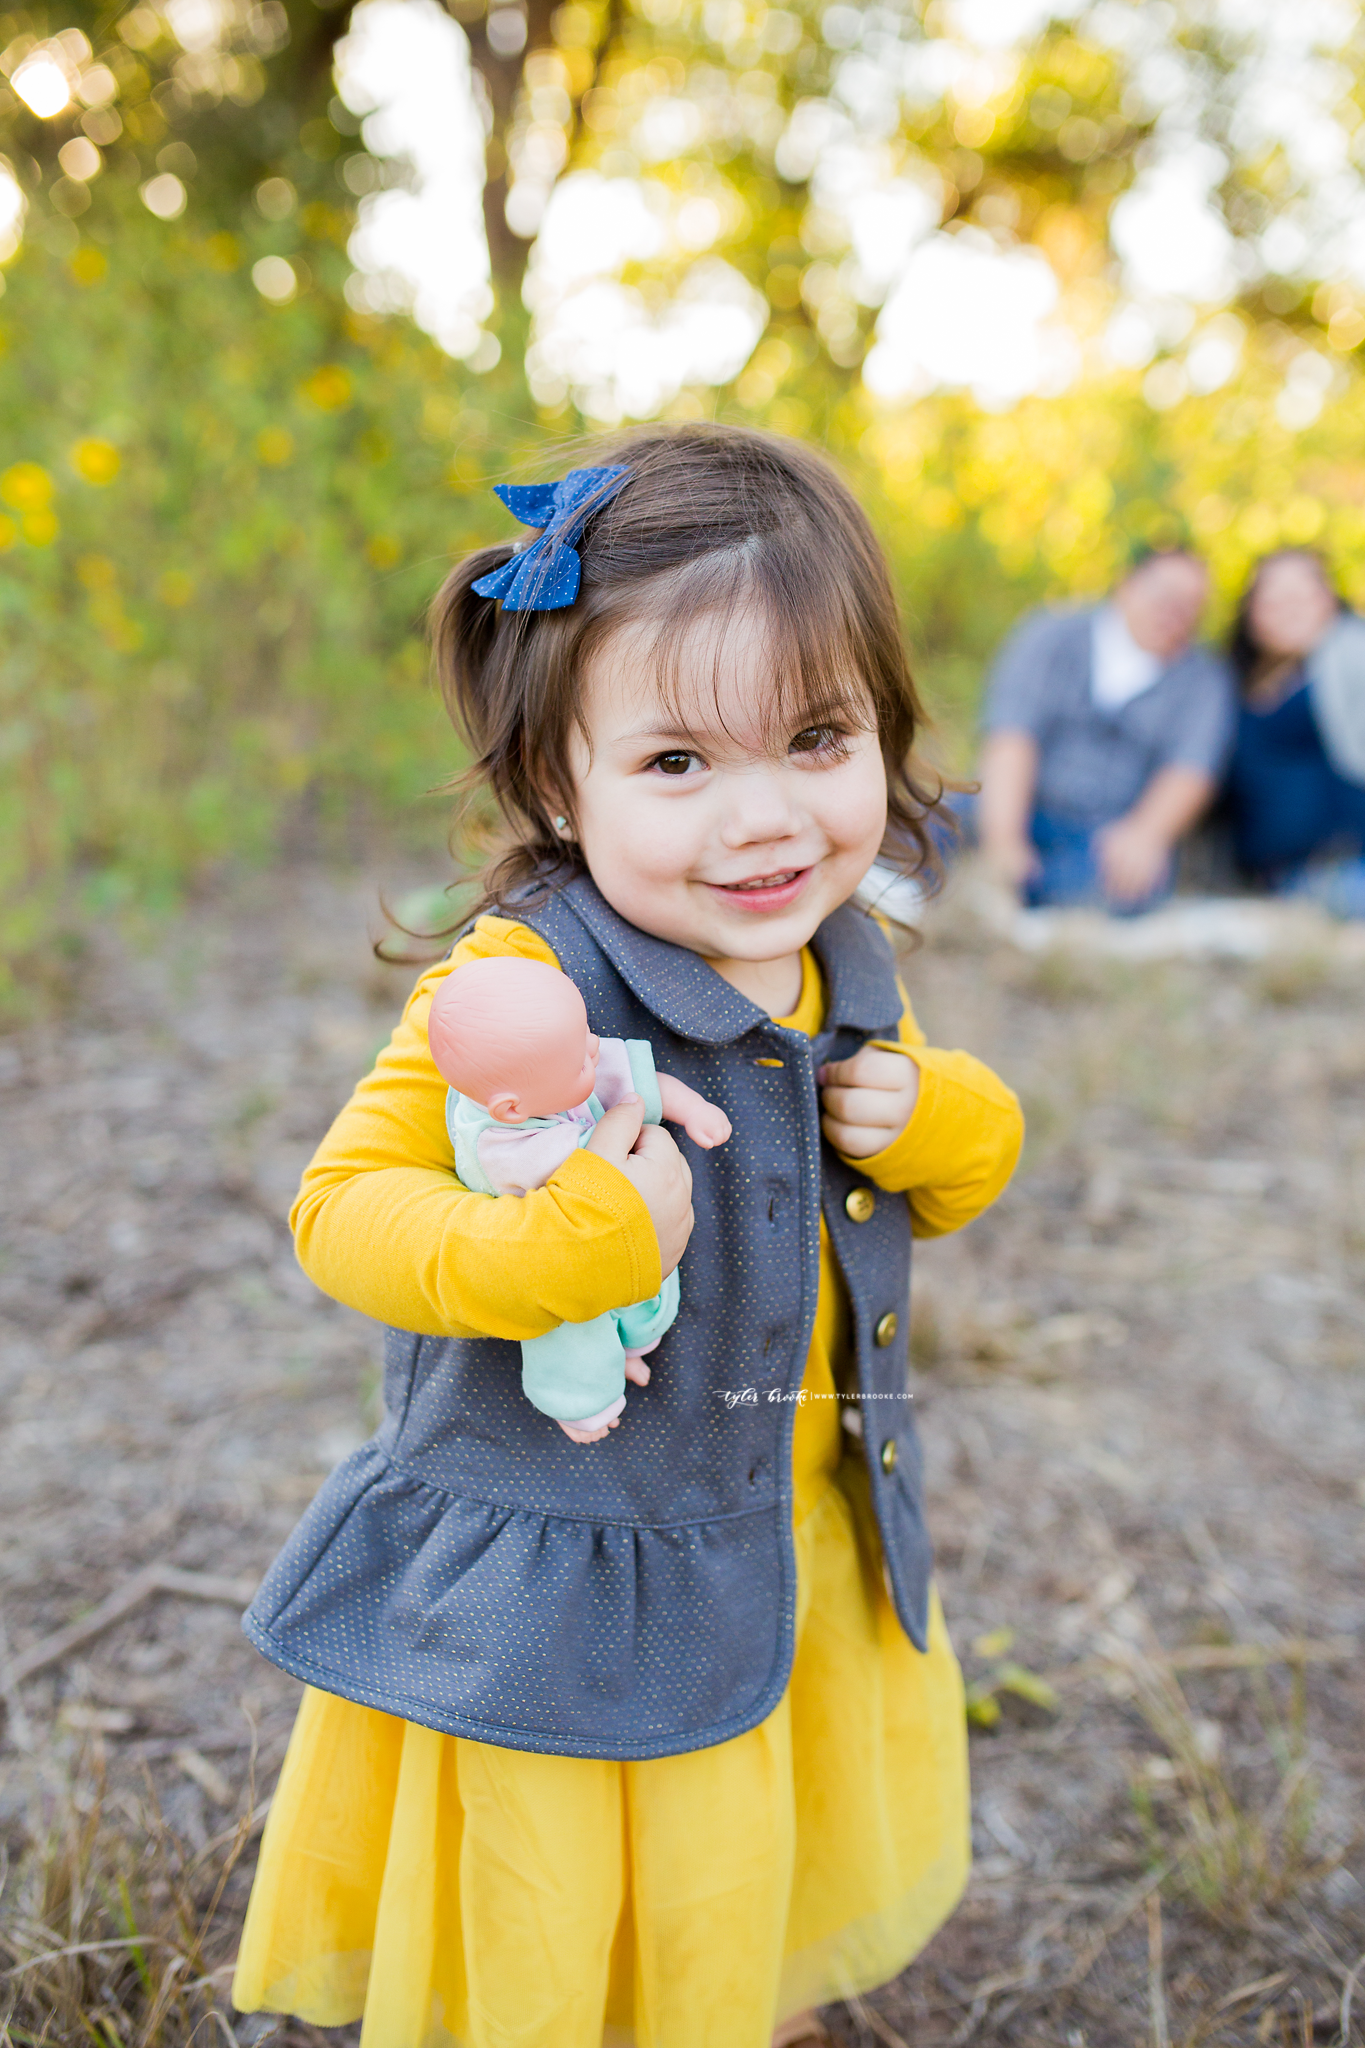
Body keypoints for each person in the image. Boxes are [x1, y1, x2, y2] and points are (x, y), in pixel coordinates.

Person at [230, 426, 1024, 2048]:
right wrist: (566, 1241)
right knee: (574, 1852)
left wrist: (950, 1122)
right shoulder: (519, 990)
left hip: (785, 1511)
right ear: (555, 784)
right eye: (677, 763)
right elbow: (342, 1210)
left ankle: (722, 1985)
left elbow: (937, 1163)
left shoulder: (840, 957)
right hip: (578, 1554)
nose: (765, 819)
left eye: (817, 736)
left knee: (747, 1803)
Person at [975, 546, 1235, 911]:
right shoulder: (1051, 635)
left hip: (1105, 837)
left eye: (1191, 605)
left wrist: (1147, 834)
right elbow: (1011, 736)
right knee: (917, 825)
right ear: (1127, 585)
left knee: (1123, 886)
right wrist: (1003, 841)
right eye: (1166, 596)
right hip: (1017, 805)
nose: (1176, 613)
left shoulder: (1203, 679)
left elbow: (1192, 768)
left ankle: (1035, 903)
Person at [1225, 548, 1365, 917]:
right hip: (1270, 883)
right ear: (1251, 610)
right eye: (1272, 596)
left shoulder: (1351, 655)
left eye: (1302, 594)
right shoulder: (1233, 679)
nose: (1288, 607)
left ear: (1330, 601)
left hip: (1344, 875)